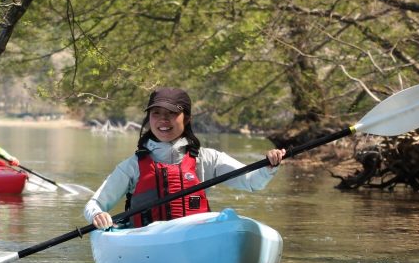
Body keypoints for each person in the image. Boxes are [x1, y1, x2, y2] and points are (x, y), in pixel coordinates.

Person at [85, 87, 285, 230]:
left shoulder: (208, 158)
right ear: (149, 119)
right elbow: (95, 204)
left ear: (187, 118)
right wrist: (98, 215)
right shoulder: (132, 166)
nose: (163, 120)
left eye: (172, 113)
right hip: (147, 239)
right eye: (156, 113)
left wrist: (268, 166)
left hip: (194, 237)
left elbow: (252, 182)